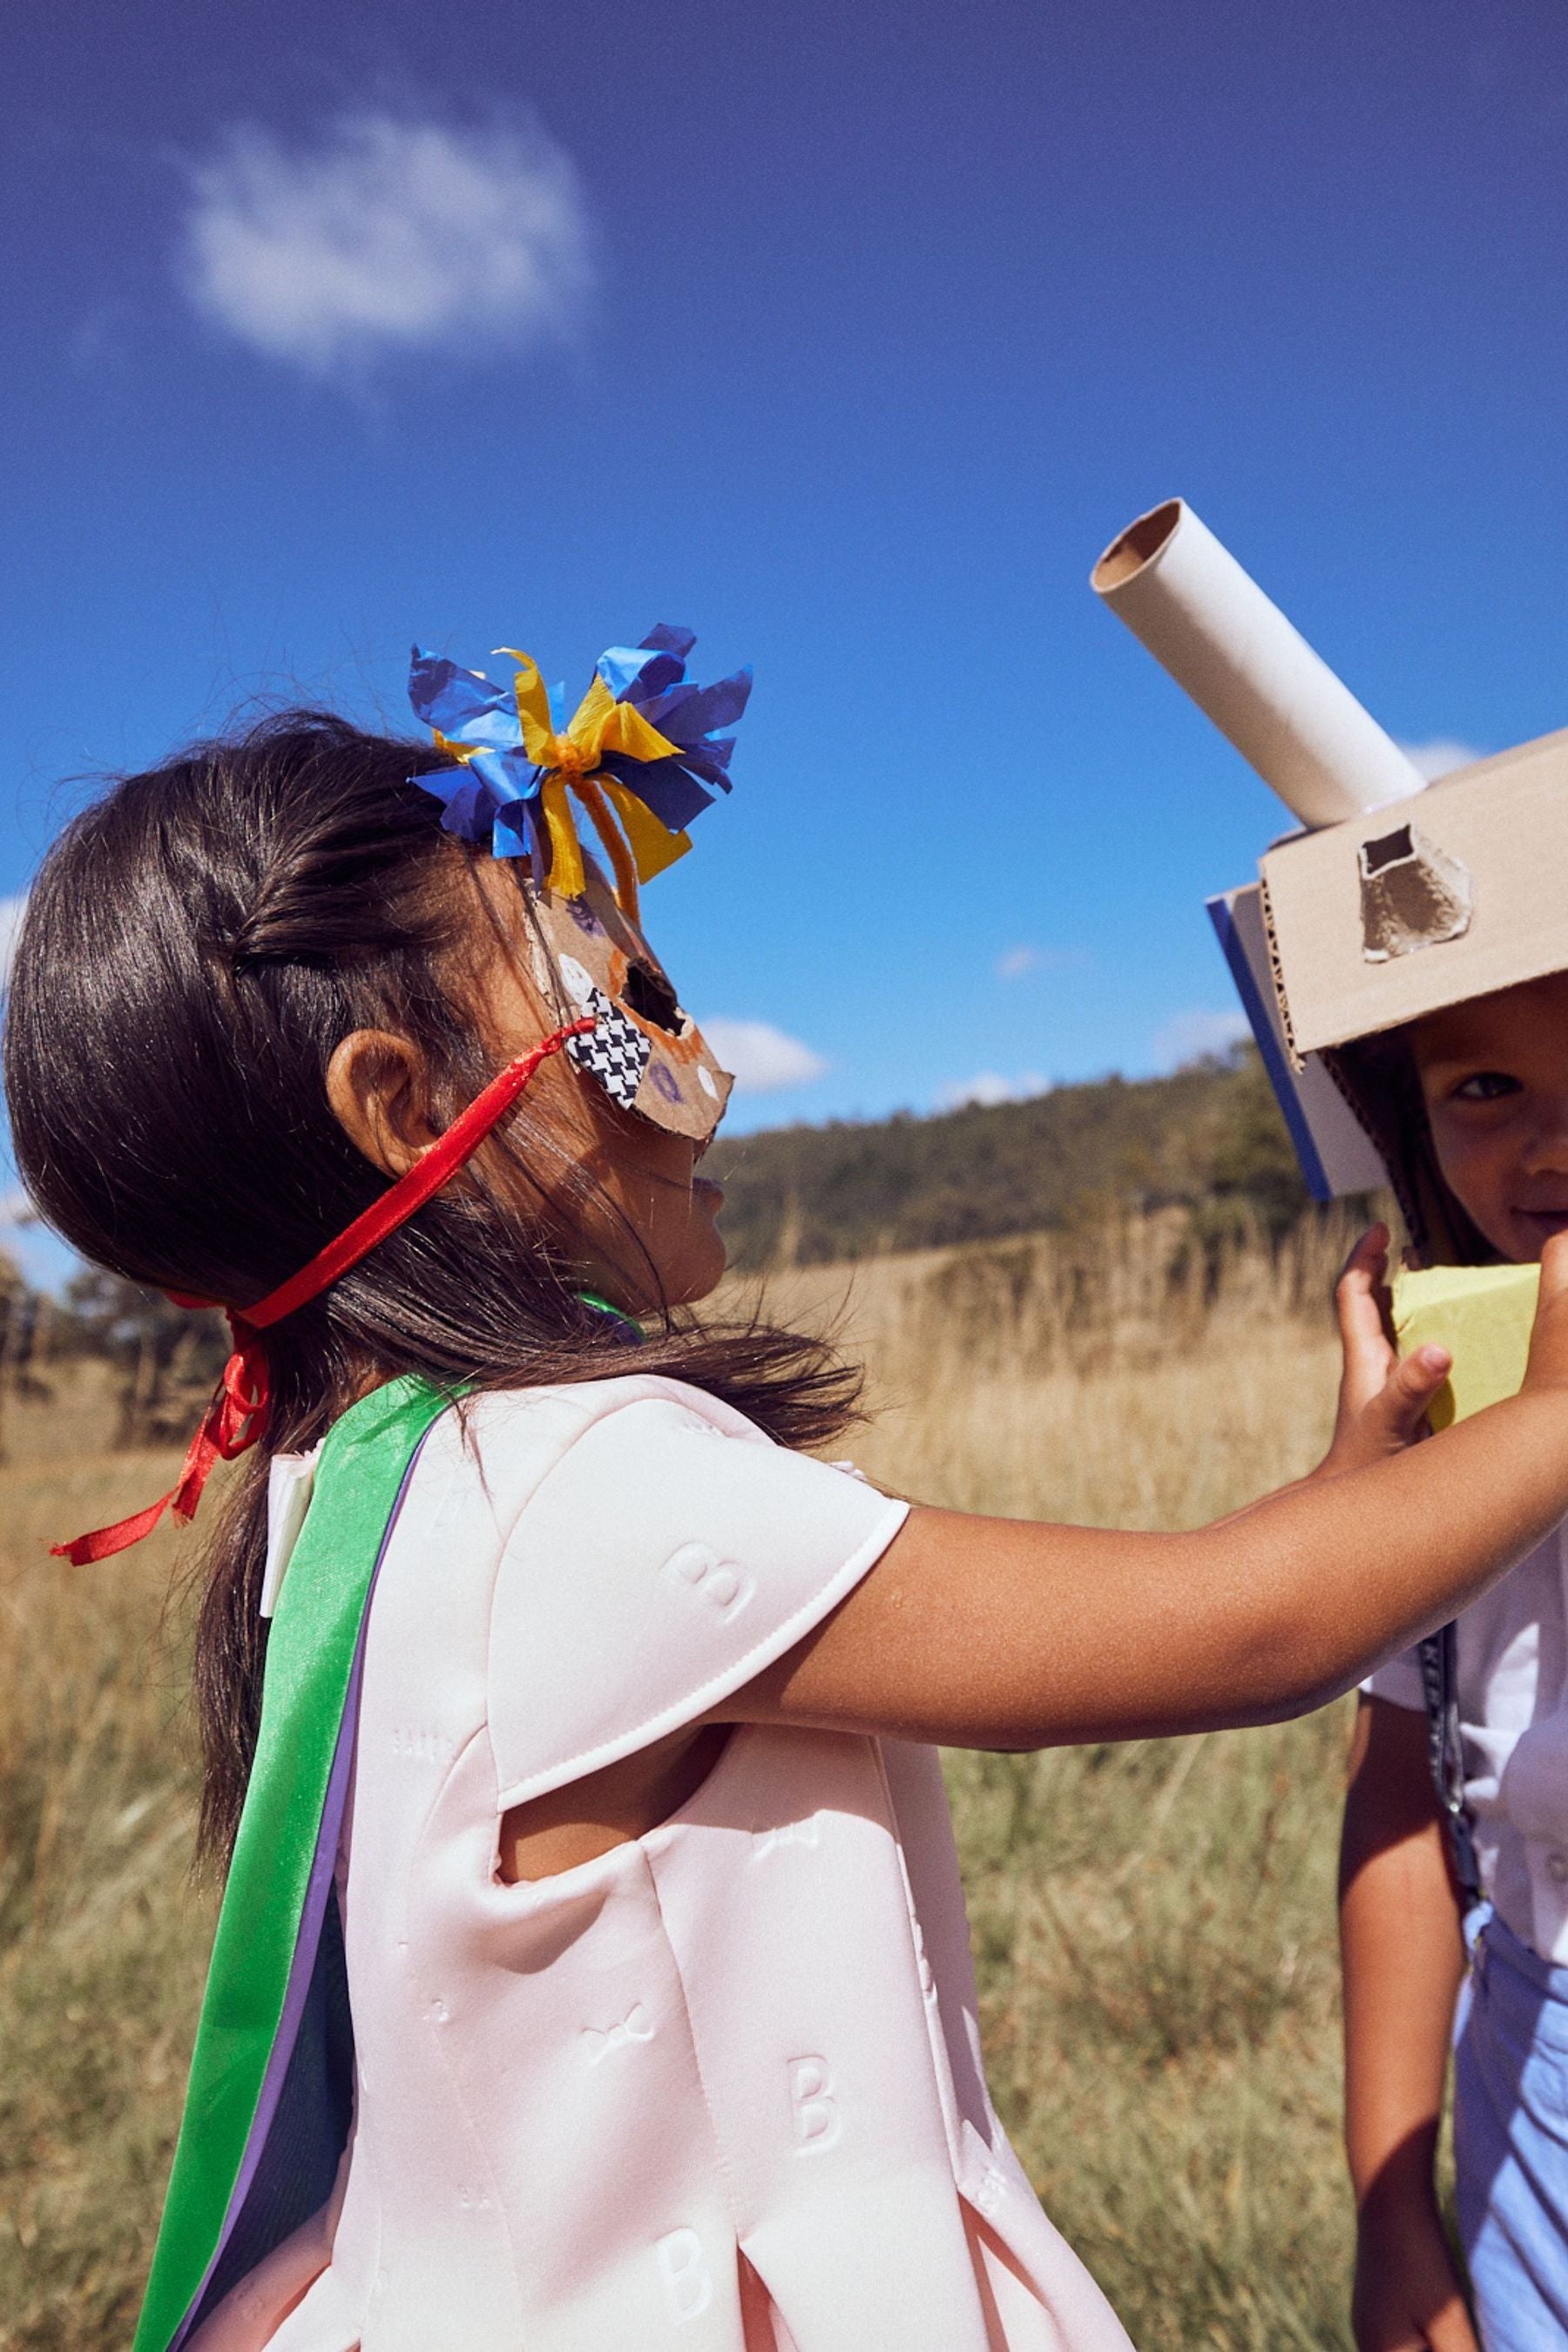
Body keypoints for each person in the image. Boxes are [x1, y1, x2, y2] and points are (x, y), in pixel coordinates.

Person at [13, 632, 1568, 2352]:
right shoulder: (579, 1492)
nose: (706, 1073)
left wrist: (1358, 1476)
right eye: (639, 1006)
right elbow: (1252, 1628)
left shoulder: (363, 1485)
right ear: (403, 1108)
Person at [1336, 970, 1568, 2352]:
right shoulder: (1442, 1416)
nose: (1550, 1147)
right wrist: (1391, 2204)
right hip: (1531, 2096)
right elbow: (1402, 1800)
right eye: (1485, 1089)